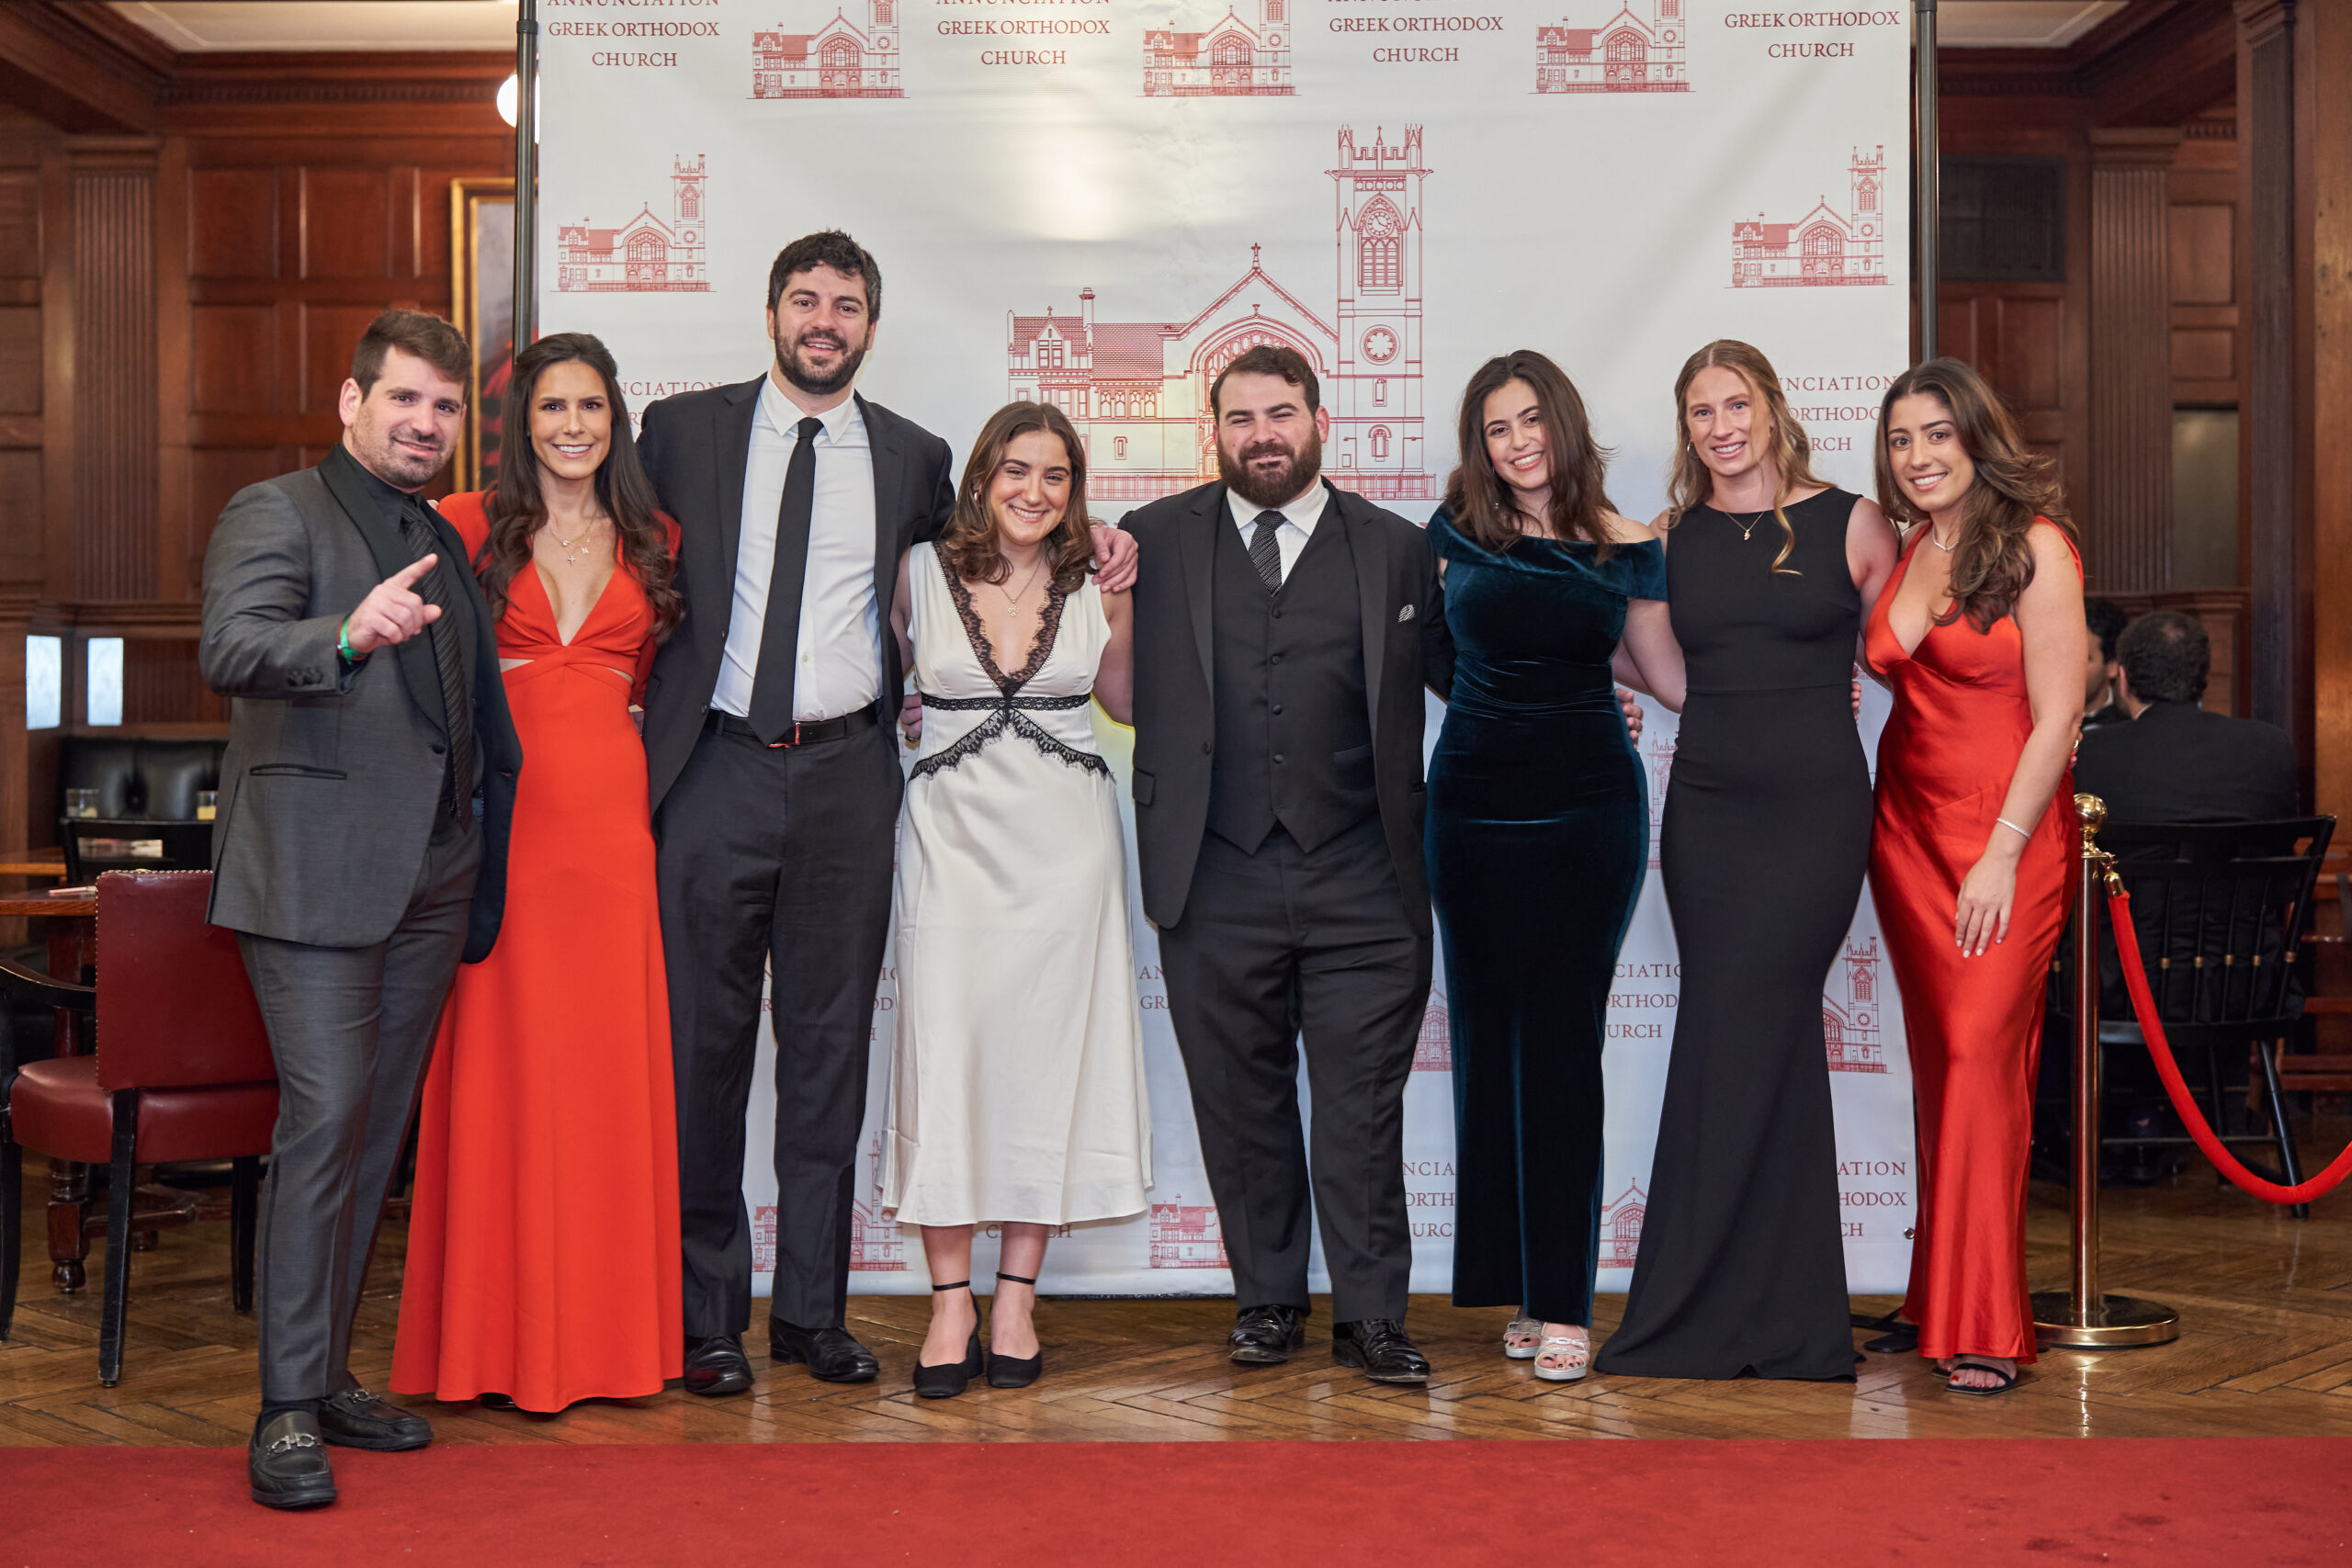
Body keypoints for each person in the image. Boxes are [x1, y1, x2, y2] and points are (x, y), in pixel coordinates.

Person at [635, 231, 1136, 1397]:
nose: (824, 320)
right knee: (704, 1055)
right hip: (711, 771)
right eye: (805, 300)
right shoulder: (683, 433)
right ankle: (706, 1317)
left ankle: (811, 1313)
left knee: (828, 1056)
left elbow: (990, 574)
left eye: (846, 304)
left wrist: (1107, 542)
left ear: (870, 324)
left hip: (851, 779)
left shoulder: (916, 457)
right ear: (771, 313)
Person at [199, 310, 523, 1508]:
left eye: (445, 407)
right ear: (352, 401)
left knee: (375, 1133)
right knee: (326, 1123)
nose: (427, 423)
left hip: (430, 875)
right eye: (405, 401)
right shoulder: (276, 510)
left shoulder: (441, 531)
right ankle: (284, 1408)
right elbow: (231, 644)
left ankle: (328, 1372)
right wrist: (345, 632)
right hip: (317, 868)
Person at [1122, 344, 1452, 1385]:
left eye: (1280, 413)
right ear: (1212, 432)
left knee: (1362, 1104)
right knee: (1239, 1099)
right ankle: (1267, 1300)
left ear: (1319, 421)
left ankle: (1373, 1314)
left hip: (1363, 869)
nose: (1261, 433)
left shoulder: (1397, 550)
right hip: (1212, 872)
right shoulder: (1150, 541)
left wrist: (1588, 687)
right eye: (1239, 418)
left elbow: (1476, 667)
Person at [389, 333, 684, 1414]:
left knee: (606, 1078)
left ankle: (607, 1344)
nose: (572, 426)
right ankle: (485, 1348)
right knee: (501, 1071)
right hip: (501, 829)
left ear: (617, 421)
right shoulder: (464, 525)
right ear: (523, 423)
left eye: (591, 408)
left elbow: (656, 681)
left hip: (612, 833)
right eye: (552, 407)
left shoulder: (658, 536)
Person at [1596, 340, 1899, 1382]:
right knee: (1734, 1036)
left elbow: (1903, 652)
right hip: (1711, 816)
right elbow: (1670, 679)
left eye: (1735, 403)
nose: (1720, 426)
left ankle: (1747, 1308)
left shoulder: (1855, 522)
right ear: (1685, 430)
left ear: (1771, 406)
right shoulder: (1669, 541)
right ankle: (1754, 1311)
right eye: (1698, 412)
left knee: (1755, 1029)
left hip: (1817, 815)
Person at [880, 401, 1148, 1399]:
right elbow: (871, 684)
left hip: (1065, 853)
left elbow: (1124, 702)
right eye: (1016, 471)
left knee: (1045, 1066)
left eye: (1056, 476)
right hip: (947, 845)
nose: (1034, 493)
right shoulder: (912, 573)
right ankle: (948, 1297)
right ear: (982, 476)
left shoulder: (1104, 580)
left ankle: (1016, 1299)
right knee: (945, 1057)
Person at [1423, 350, 1679, 1384]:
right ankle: (1514, 1286)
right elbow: (1431, 658)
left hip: (1587, 812)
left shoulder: (1630, 547)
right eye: (1495, 428)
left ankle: (1566, 1300)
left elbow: (1666, 679)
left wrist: (1792, 689)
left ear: (1564, 425)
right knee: (1488, 1044)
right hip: (1472, 808)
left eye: (1531, 420)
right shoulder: (1450, 538)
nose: (1517, 441)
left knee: (1564, 1048)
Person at [1863, 357, 2086, 1397]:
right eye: (1901, 440)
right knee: (1938, 1067)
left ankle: (1987, 1321)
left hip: (2003, 842)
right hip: (1903, 837)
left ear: (1976, 437)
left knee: (1977, 1056)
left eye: (1936, 436)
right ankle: (1934, 1295)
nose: (1917, 458)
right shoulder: (1912, 544)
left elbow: (2060, 717)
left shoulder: (2037, 547)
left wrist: (2001, 848)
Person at [2074, 611, 2297, 823]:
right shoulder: (2270, 745)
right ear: (2202, 675)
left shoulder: (2090, 754)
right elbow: (2285, 837)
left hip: (2135, 865)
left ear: (2123, 679)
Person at [2082, 598, 2130, 730]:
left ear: (2112, 666)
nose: (2067, 670)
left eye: (2083, 659)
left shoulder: (2131, 727)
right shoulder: (2032, 726)